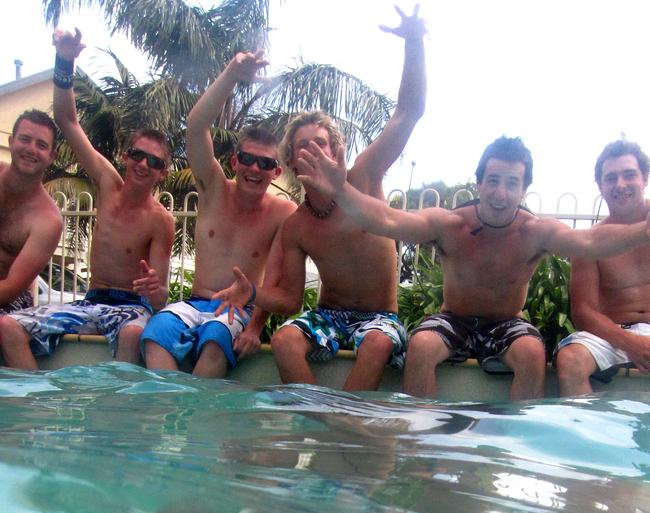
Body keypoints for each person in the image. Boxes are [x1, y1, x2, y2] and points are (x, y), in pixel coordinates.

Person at [295, 134, 650, 401]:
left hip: (507, 322)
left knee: (532, 352)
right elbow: (387, 219)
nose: (500, 192)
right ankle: (423, 443)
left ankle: (511, 447)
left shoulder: (533, 232)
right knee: (421, 346)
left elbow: (589, 243)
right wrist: (341, 191)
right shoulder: (450, 225)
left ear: (524, 189)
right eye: (493, 180)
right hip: (454, 319)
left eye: (512, 183)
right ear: (479, 182)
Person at [215, 6, 427, 391]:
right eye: (302, 147)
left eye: (321, 144)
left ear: (336, 150)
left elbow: (408, 113)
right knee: (283, 340)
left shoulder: (364, 175)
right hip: (329, 315)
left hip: (381, 317)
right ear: (291, 162)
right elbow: (290, 299)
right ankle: (324, 420)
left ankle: (338, 424)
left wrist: (414, 44)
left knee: (377, 343)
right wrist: (254, 294)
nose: (312, 151)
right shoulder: (297, 225)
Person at [0, 28, 175, 369]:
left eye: (154, 162)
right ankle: (35, 406)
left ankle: (114, 415)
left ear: (162, 174)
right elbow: (67, 121)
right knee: (7, 326)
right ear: (125, 156)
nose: (143, 164)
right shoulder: (107, 182)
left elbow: (160, 296)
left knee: (131, 335)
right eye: (137, 155)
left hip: (130, 307)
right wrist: (64, 61)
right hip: (90, 300)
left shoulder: (161, 220)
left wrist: (155, 290)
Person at [141, 52, 296, 378]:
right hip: (195, 302)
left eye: (265, 163)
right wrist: (232, 74)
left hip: (237, 309)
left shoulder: (282, 212)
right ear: (235, 162)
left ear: (276, 171)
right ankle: (168, 410)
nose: (255, 168)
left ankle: (196, 422)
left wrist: (255, 328)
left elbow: (276, 280)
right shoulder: (213, 188)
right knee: (155, 333)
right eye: (247, 159)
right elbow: (196, 127)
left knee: (215, 339)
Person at [556, 140, 650, 394]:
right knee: (570, 360)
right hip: (614, 334)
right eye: (611, 178)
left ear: (645, 178)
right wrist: (630, 342)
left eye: (629, 175)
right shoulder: (591, 242)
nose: (620, 184)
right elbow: (583, 312)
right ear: (600, 186)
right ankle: (582, 433)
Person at [0, 110, 62, 316]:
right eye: (25, 139)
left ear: (52, 156)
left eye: (41, 145)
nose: (31, 149)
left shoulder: (48, 220)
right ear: (11, 141)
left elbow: (11, 288)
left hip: (9, 299)